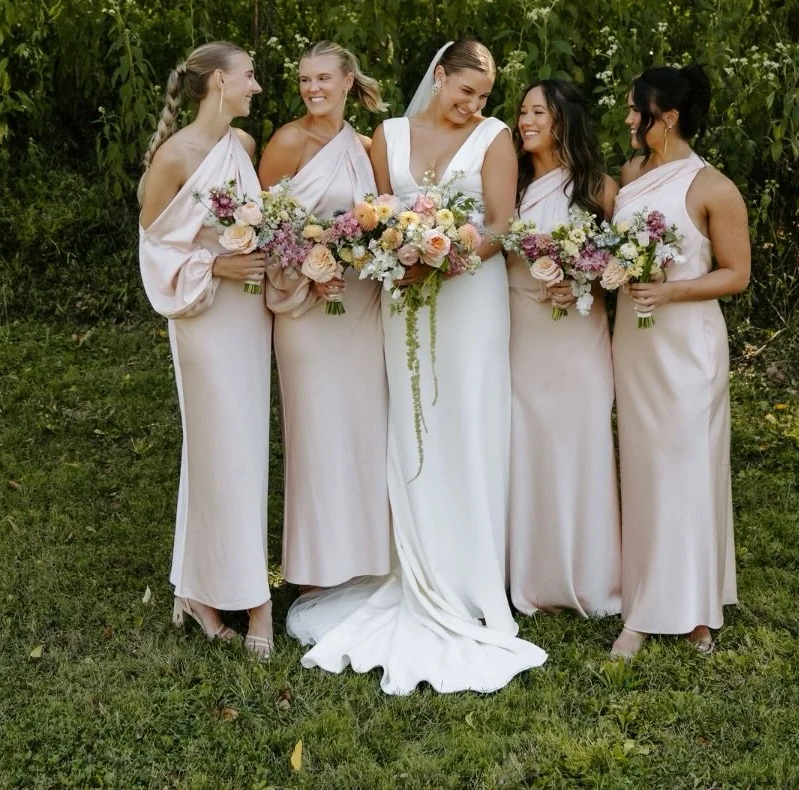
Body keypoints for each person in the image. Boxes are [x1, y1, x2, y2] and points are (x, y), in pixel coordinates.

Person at [286, 40, 547, 694]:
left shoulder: (493, 138)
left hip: (472, 298)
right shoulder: (389, 135)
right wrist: (400, 253)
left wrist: (448, 259)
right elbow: (375, 217)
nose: (474, 106)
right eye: (465, 92)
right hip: (403, 294)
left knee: (469, 417)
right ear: (439, 76)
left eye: (483, 97)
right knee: (414, 424)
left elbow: (502, 224)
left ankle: (471, 575)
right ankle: (416, 562)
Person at [137, 41, 274, 657]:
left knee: (244, 448)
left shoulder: (243, 148)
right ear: (220, 81)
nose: (257, 87)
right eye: (249, 76)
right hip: (203, 315)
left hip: (248, 318)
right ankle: (255, 602)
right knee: (221, 448)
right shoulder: (173, 158)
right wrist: (218, 263)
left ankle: (201, 589)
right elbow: (156, 252)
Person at [609, 64, 750, 660]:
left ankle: (696, 609)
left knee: (689, 466)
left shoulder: (714, 187)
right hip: (634, 342)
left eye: (635, 109)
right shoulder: (631, 173)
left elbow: (736, 275)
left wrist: (669, 291)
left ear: (666, 118)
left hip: (688, 344)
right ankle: (642, 603)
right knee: (644, 468)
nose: (627, 118)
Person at [258, 41, 391, 591]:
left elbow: (383, 219)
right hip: (307, 312)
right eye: (304, 80)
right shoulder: (288, 141)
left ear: (346, 82)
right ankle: (314, 573)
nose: (313, 89)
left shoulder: (364, 146)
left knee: (364, 429)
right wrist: (308, 269)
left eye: (323, 79)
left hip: (359, 307)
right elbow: (261, 224)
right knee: (316, 432)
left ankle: (365, 565)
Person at [507, 80, 621, 617]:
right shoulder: (509, 184)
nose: (526, 120)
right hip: (522, 335)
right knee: (527, 444)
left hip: (577, 335)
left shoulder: (598, 187)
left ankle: (589, 574)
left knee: (581, 441)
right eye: (522, 111)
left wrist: (585, 281)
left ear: (564, 120)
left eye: (538, 112)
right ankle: (529, 575)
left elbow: (624, 264)